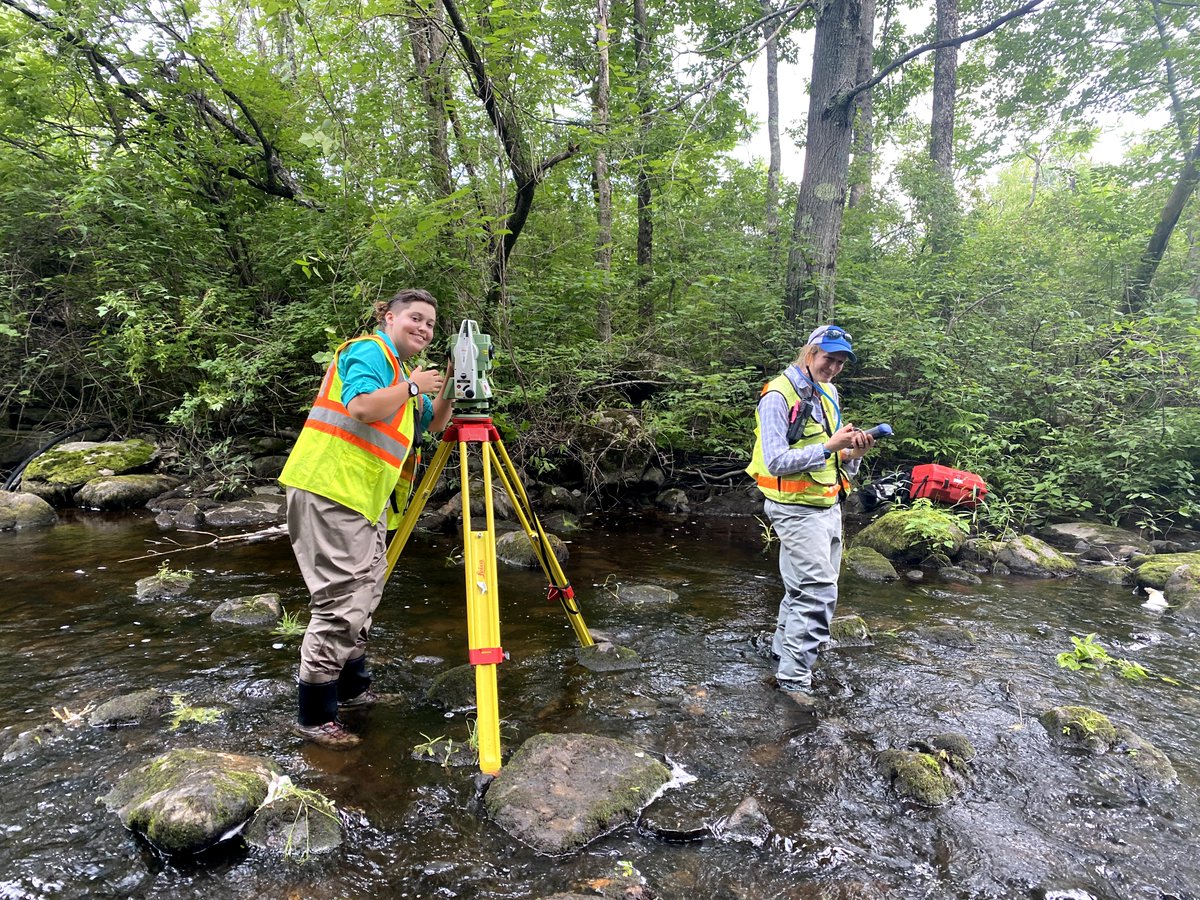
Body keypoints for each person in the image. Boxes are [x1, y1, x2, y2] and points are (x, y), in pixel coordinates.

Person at [278, 288, 454, 748]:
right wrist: (415, 385)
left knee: (365, 593)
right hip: (331, 488)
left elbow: (431, 425)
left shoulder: (401, 373)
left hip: (365, 499)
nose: (424, 328)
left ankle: (353, 692)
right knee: (341, 603)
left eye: (431, 324)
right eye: (415, 318)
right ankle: (314, 716)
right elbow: (361, 407)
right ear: (389, 317)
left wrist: (452, 383)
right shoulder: (369, 352)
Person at [745, 324, 876, 707]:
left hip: (827, 505)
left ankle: (780, 654)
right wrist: (828, 445)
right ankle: (794, 680)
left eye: (839, 362)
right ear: (810, 353)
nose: (833, 368)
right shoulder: (777, 396)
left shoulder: (829, 393)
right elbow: (776, 461)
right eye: (828, 359)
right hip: (794, 509)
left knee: (801, 590)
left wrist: (853, 454)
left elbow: (835, 456)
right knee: (818, 594)